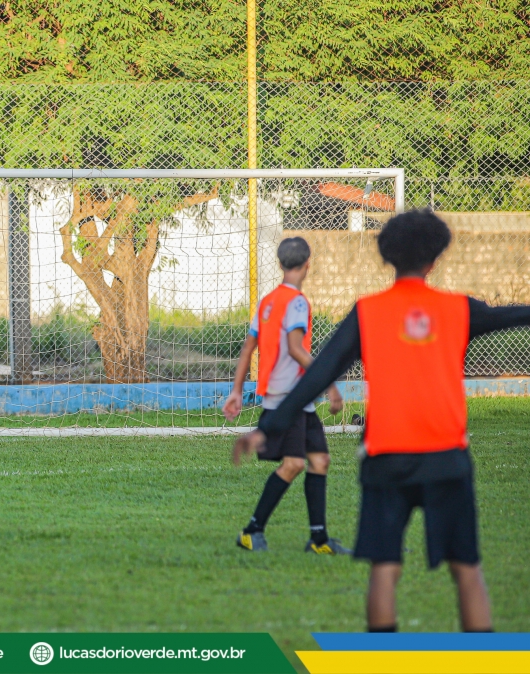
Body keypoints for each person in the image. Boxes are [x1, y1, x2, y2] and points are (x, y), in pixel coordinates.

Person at [234, 209, 530, 632]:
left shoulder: (368, 312)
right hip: (446, 455)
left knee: (384, 568)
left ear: (388, 256)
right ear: (435, 259)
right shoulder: (460, 309)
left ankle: (382, 655)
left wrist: (266, 428)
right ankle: (481, 656)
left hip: (386, 456)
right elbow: (514, 314)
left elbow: (318, 375)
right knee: (466, 569)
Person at [223, 237, 349, 554]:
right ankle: (251, 531)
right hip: (287, 397)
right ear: (308, 264)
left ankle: (318, 540)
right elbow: (295, 349)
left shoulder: (267, 301)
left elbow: (248, 348)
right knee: (293, 464)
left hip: (296, 397)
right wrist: (329, 382)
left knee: (319, 460)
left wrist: (237, 390)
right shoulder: (297, 302)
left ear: (280, 264)